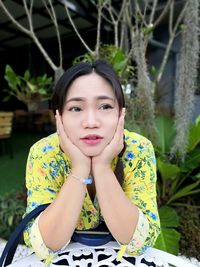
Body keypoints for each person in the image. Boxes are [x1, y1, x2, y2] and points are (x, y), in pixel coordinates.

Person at [24, 60, 160, 265]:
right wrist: (79, 168)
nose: (91, 122)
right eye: (76, 108)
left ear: (120, 114)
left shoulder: (138, 149)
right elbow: (45, 244)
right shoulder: (44, 153)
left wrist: (102, 167)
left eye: (105, 106)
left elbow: (139, 241)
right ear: (59, 116)